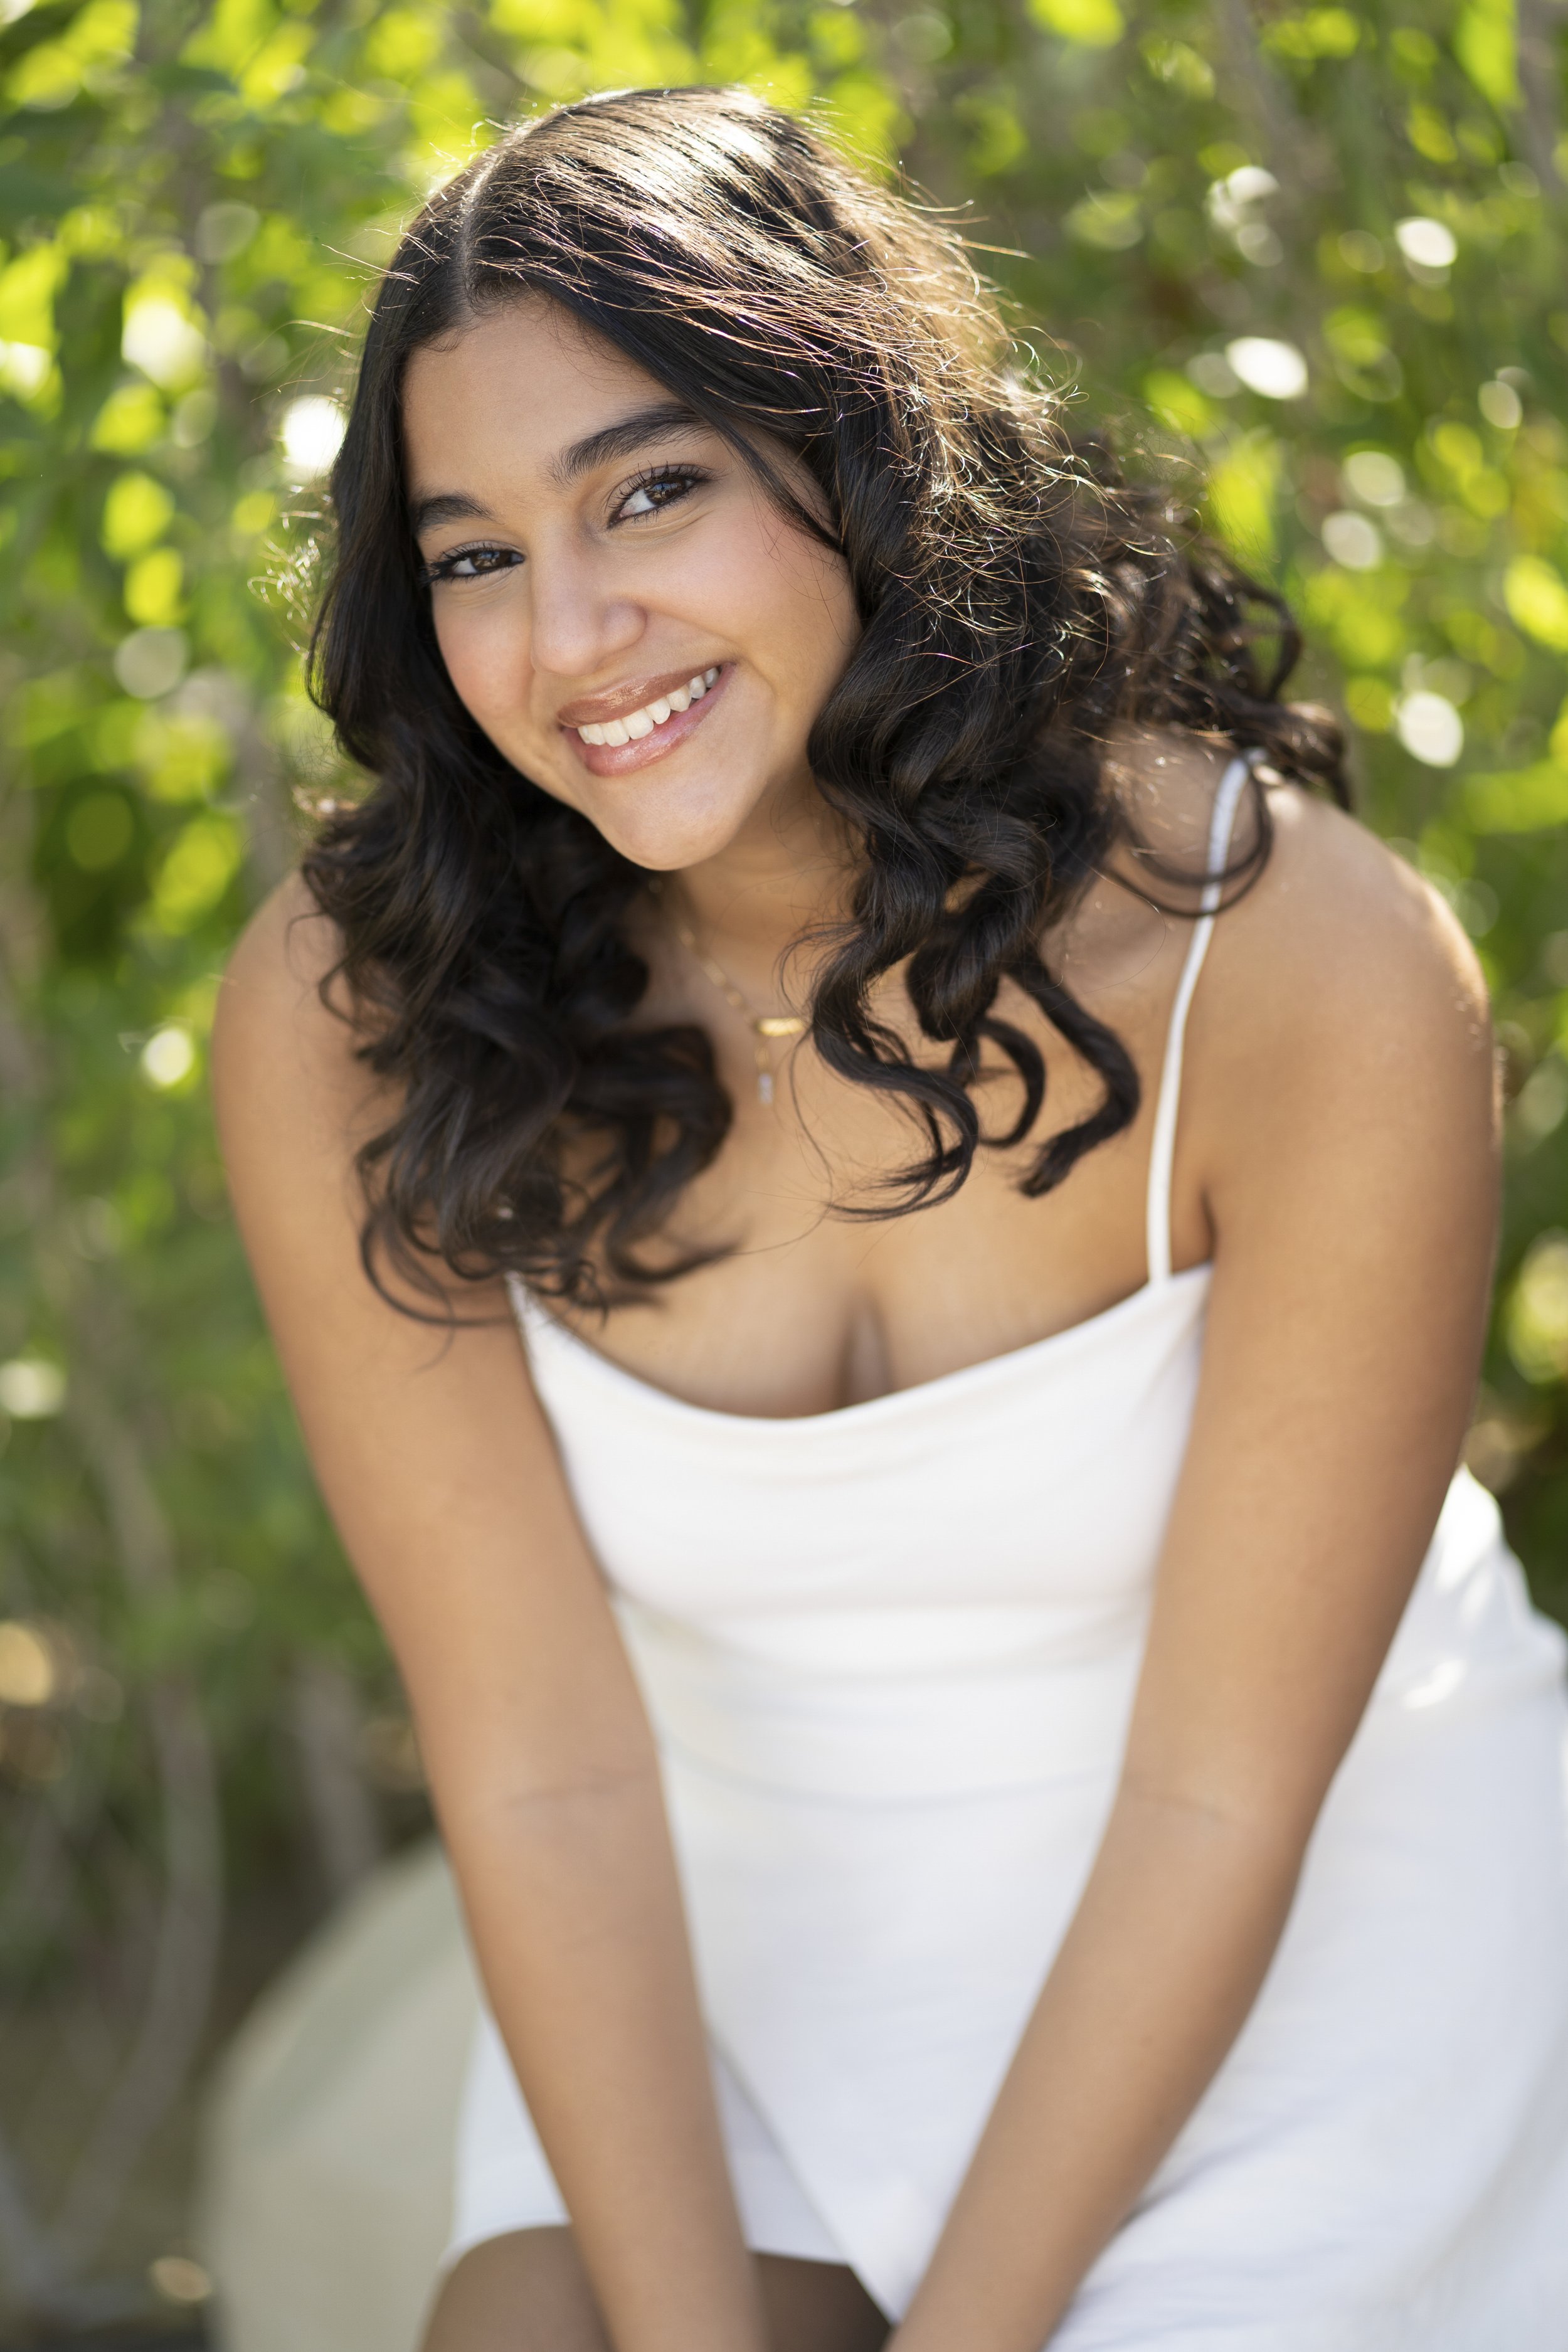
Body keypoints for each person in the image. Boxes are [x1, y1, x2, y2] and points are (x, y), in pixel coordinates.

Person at [213, 85, 1568, 2352]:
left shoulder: (1291, 967)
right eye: (470, 554)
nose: (570, 632)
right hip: (735, 1930)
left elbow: (1223, 1787)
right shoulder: (370, 1008)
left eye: (649, 491)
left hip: (1297, 1911)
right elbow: (537, 1762)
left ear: (856, 462)